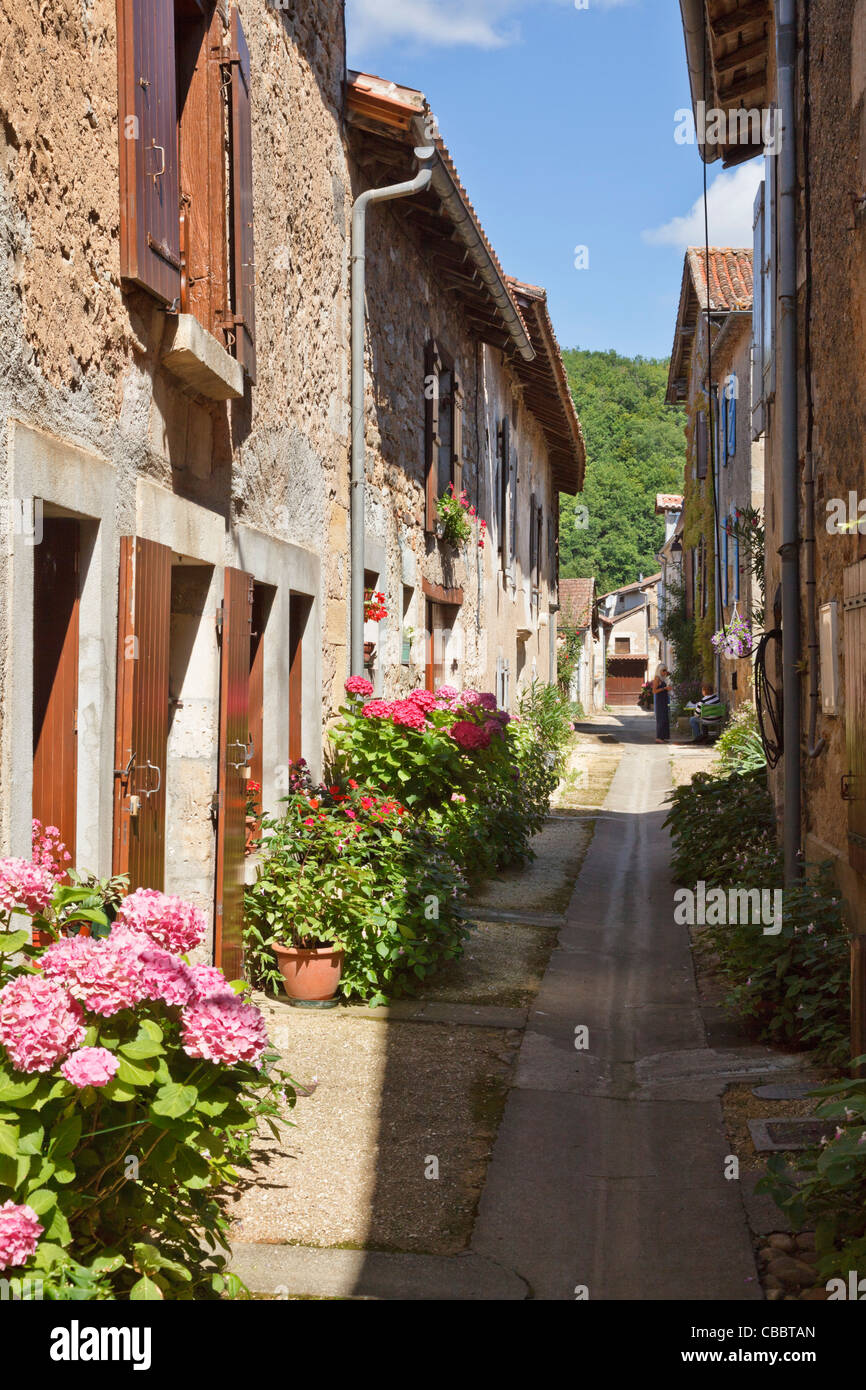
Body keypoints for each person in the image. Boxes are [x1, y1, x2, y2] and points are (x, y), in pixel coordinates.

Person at [652, 663, 671, 743]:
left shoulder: (663, 678)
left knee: (665, 718)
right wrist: (664, 688)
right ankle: (658, 737)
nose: (665, 672)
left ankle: (663, 737)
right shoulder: (657, 678)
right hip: (660, 701)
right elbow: (654, 691)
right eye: (664, 670)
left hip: (664, 700)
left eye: (666, 670)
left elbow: (669, 674)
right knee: (661, 718)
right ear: (659, 670)